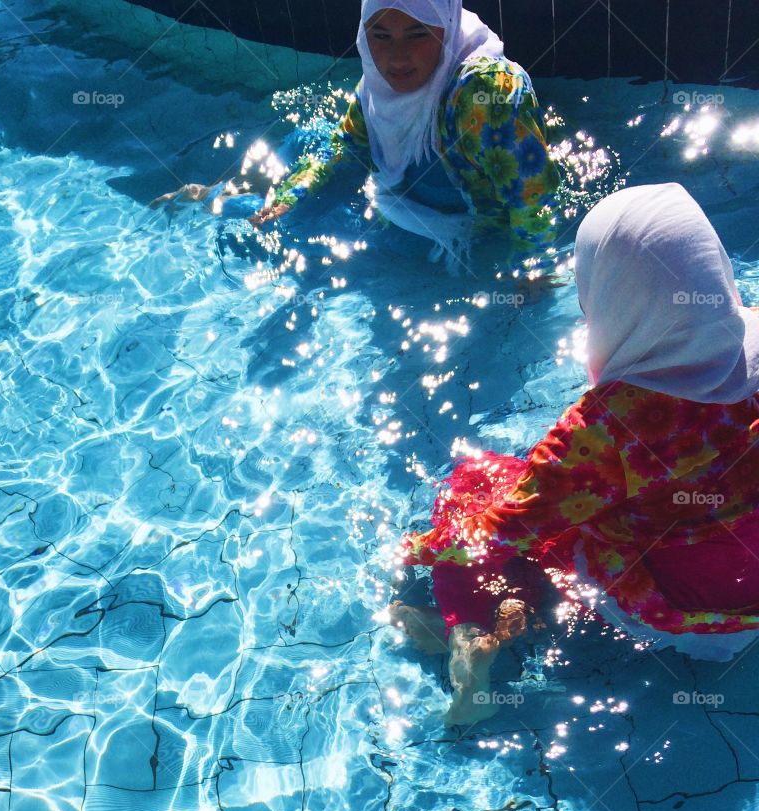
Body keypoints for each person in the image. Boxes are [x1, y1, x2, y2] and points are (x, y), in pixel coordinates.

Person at [392, 183, 759, 725]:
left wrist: (414, 552)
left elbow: (500, 532)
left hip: (685, 609)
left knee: (476, 483)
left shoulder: (605, 430)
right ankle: (512, 611)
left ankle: (467, 635)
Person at [157, 0, 560, 276]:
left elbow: (533, 199)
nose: (396, 58)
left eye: (417, 34)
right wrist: (291, 196)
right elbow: (349, 143)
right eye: (380, 36)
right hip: (399, 193)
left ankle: (214, 199)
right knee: (299, 175)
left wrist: (530, 270)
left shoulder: (486, 93)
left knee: (303, 235)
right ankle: (227, 194)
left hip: (440, 230)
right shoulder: (379, 82)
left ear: (447, 26)